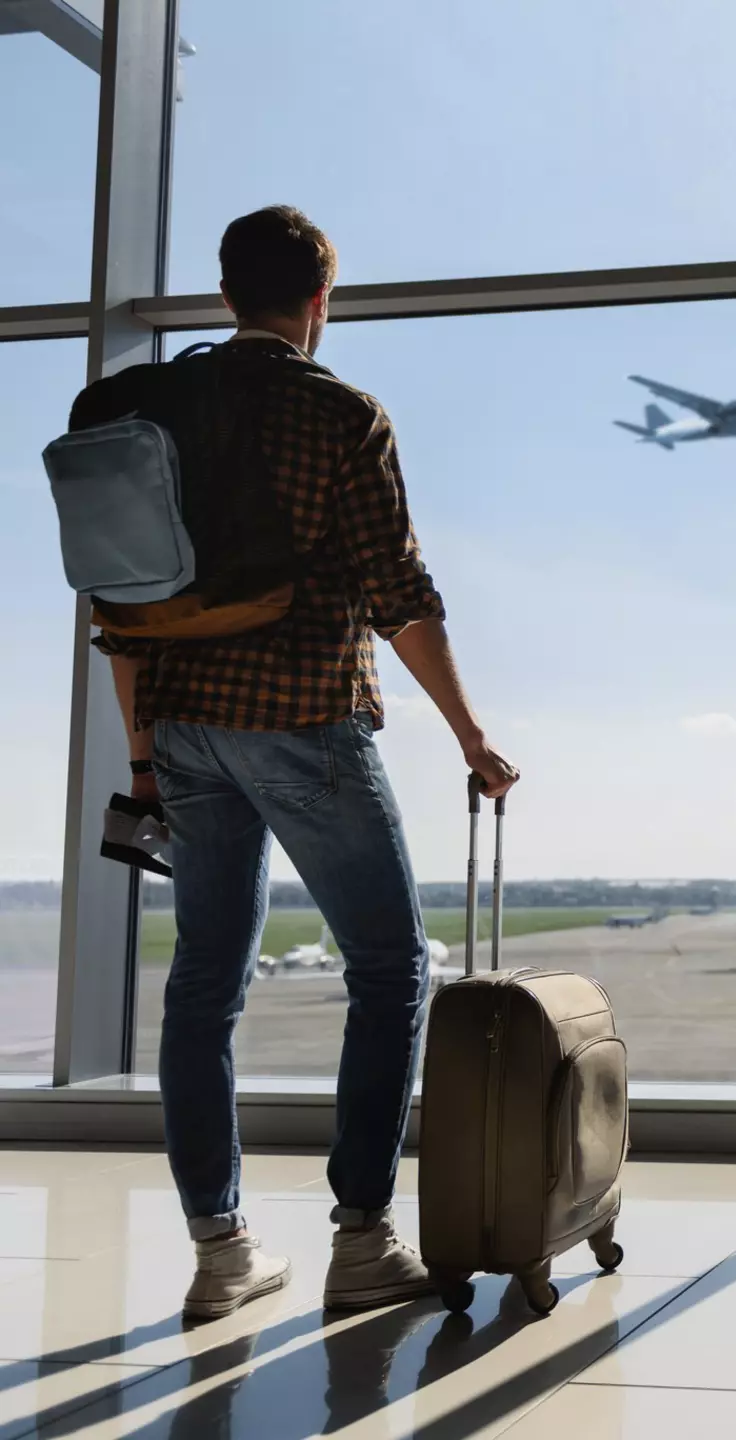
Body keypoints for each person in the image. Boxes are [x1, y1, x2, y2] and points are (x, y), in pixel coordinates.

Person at [99, 205, 517, 1320]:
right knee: (390, 969)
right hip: (301, 718)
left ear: (228, 292)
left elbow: (121, 610)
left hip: (183, 727)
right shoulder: (341, 414)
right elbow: (400, 597)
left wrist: (144, 757)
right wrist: (470, 734)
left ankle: (220, 1249)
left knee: (205, 986)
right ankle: (363, 1237)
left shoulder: (153, 411)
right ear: (319, 301)